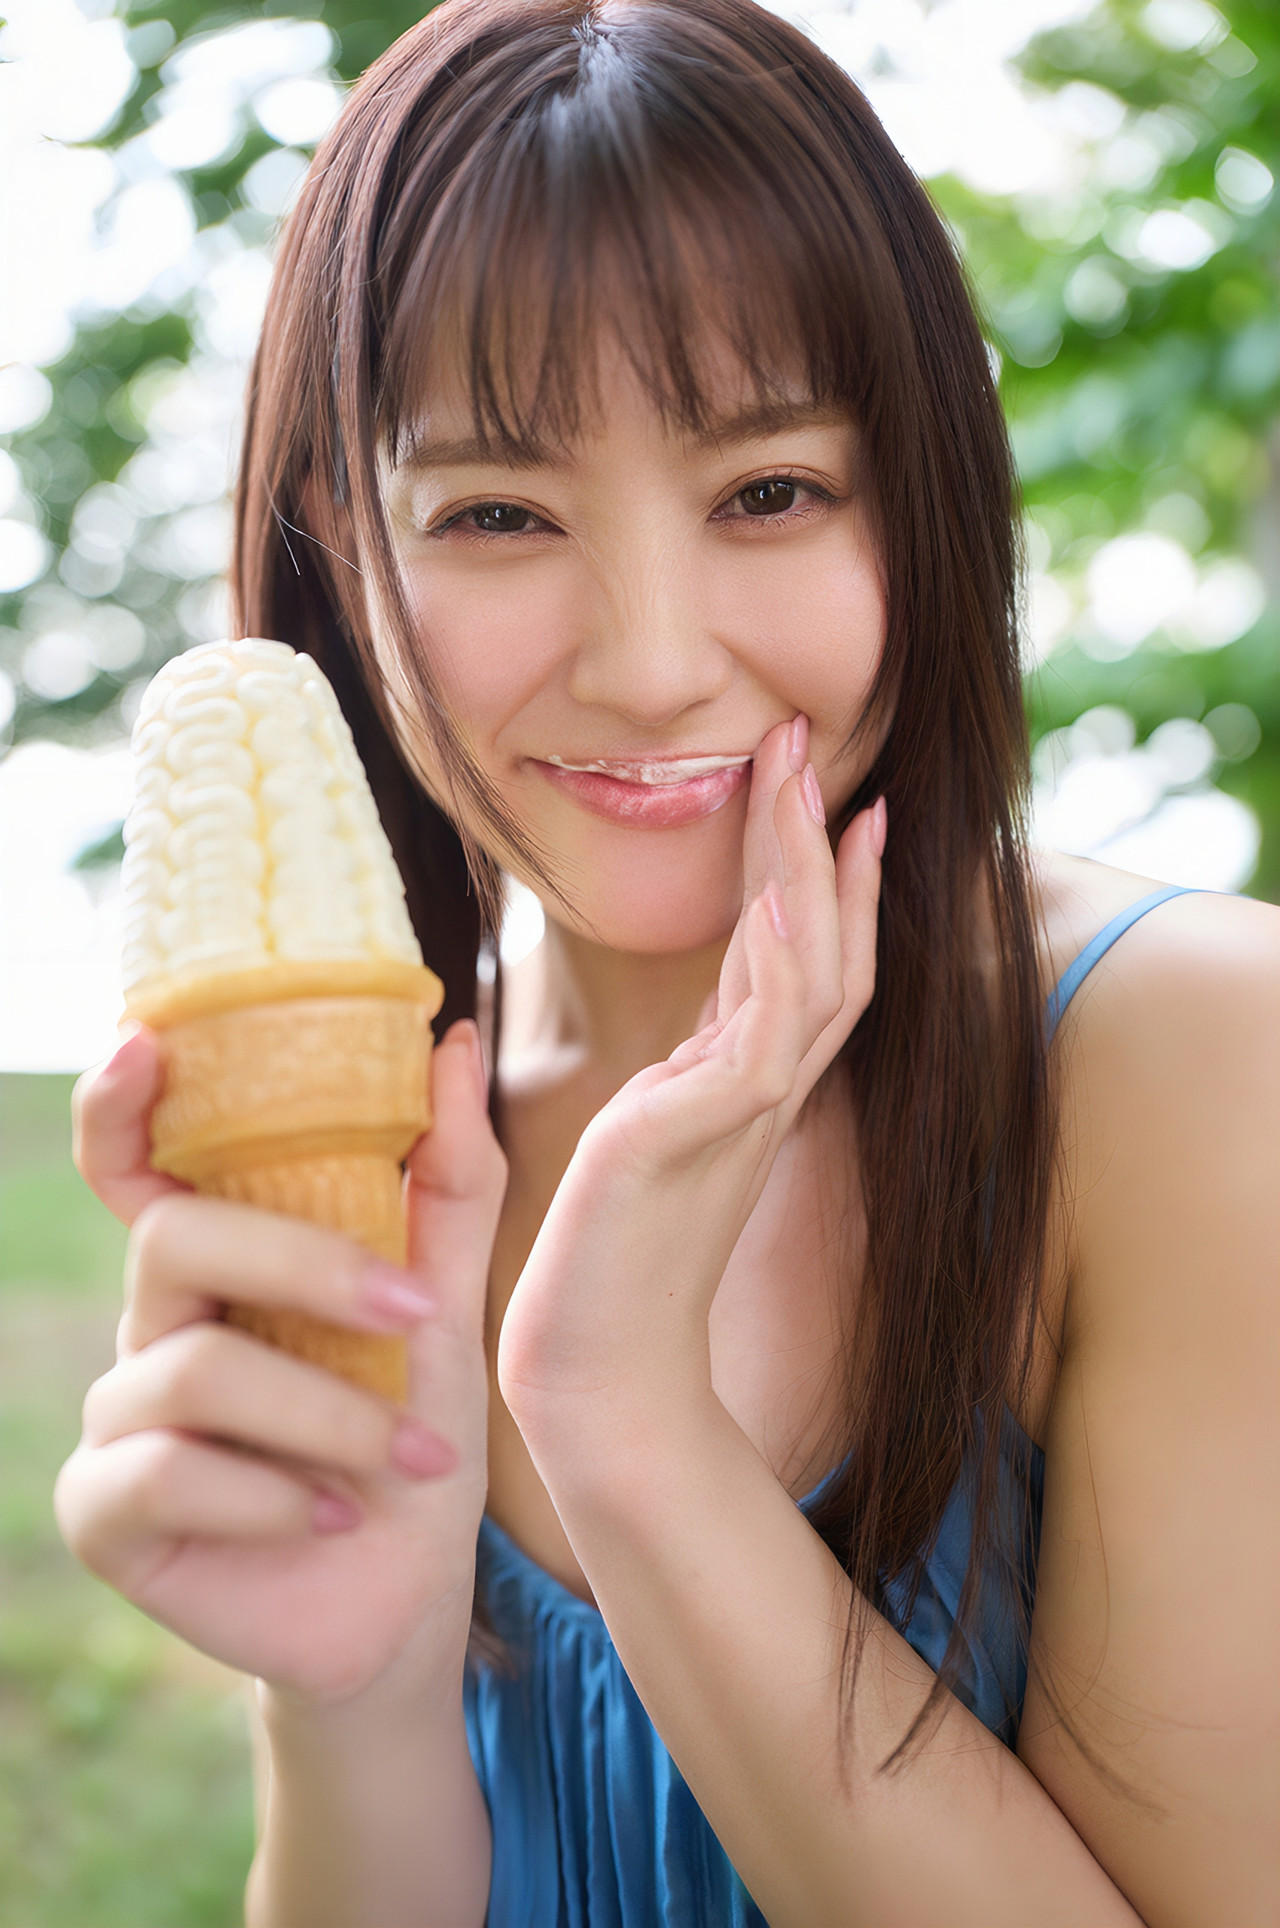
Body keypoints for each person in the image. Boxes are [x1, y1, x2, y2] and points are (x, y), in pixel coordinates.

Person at [56, 1, 1278, 1923]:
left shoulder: (1201, 1061)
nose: (648, 659)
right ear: (338, 544)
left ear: (925, 499)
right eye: (497, 514)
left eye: (771, 491)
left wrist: (626, 1418)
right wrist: (353, 1702)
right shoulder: (392, 1147)